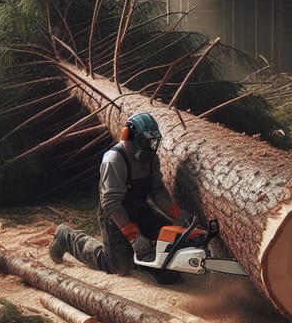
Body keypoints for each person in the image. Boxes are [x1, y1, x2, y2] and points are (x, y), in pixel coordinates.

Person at [49, 112, 193, 278]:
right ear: (130, 136)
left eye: (152, 142)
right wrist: (133, 236)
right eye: (145, 142)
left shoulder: (151, 158)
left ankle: (143, 256)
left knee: (173, 238)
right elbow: (111, 202)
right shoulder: (114, 159)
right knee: (118, 265)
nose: (150, 147)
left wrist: (176, 213)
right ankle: (67, 237)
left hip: (140, 209)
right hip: (115, 215)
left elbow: (157, 190)